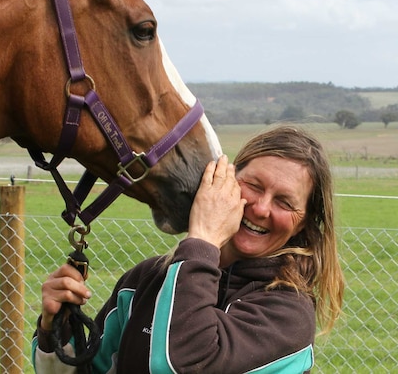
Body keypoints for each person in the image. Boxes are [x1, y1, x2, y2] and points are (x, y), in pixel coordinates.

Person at [32, 124, 345, 373]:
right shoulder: (147, 280)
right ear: (225, 179)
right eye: (255, 186)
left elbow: (180, 364)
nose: (261, 208)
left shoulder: (286, 314)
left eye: (284, 202)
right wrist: (54, 327)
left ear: (303, 223)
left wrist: (204, 239)